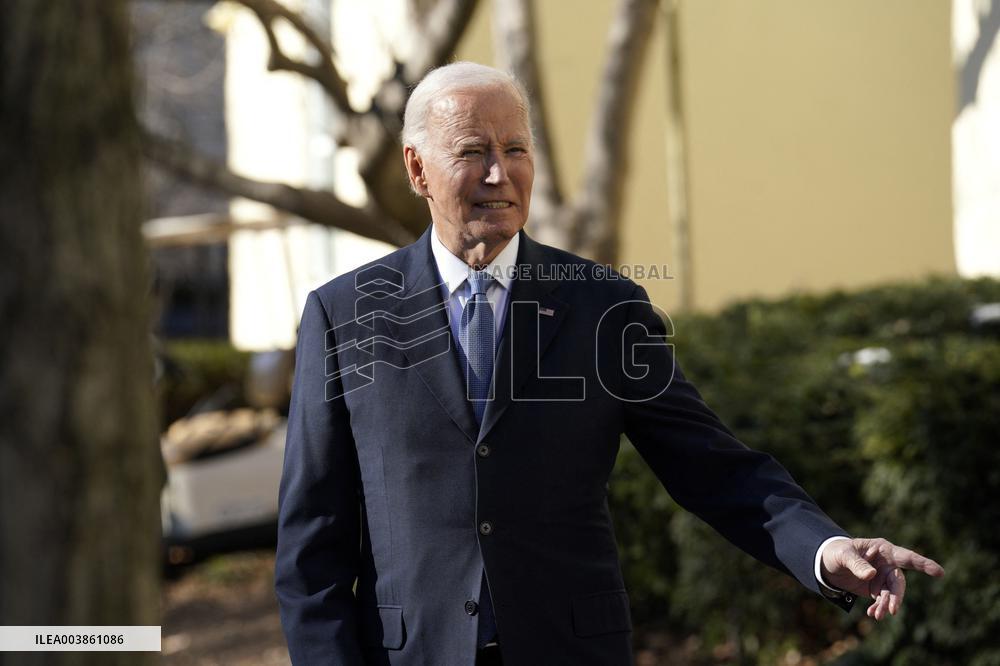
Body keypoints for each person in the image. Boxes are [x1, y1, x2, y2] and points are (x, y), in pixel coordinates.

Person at [274, 62, 943, 666]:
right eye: (473, 152)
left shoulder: (604, 307)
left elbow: (715, 467)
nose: (500, 174)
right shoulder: (344, 316)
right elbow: (313, 547)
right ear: (417, 169)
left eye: (516, 150)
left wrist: (825, 549)